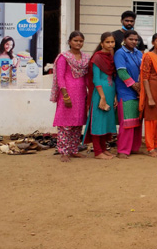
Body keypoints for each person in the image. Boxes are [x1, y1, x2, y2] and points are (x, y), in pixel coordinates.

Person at [51, 31, 90, 162]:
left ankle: (74, 150)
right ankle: (63, 151)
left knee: (77, 124)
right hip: (67, 94)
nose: (78, 43)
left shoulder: (85, 58)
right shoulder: (64, 57)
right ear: (69, 42)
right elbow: (60, 77)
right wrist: (65, 96)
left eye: (81, 41)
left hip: (81, 94)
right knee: (65, 124)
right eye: (75, 41)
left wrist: (90, 93)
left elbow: (87, 77)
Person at [84, 32, 118, 160]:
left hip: (110, 92)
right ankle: (98, 152)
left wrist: (114, 96)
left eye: (112, 42)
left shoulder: (111, 57)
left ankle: (103, 149)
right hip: (99, 93)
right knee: (98, 122)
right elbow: (96, 79)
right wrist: (102, 97)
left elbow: (112, 77)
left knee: (106, 122)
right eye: (107, 42)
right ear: (102, 43)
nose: (110, 44)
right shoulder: (97, 58)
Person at [114, 30, 144, 157]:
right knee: (127, 122)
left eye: (136, 40)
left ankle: (134, 148)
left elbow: (143, 70)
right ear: (124, 40)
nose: (134, 42)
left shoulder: (138, 53)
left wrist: (141, 86)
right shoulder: (120, 53)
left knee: (137, 121)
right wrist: (134, 85)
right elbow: (121, 72)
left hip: (139, 91)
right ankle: (122, 150)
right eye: (131, 39)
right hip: (126, 91)